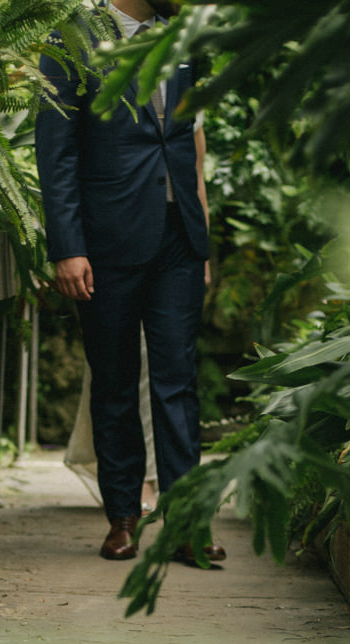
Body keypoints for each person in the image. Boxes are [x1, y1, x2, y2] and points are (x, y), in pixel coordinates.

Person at [35, 0, 224, 564]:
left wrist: (203, 238)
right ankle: (123, 517)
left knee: (177, 381)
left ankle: (188, 521)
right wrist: (68, 248)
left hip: (177, 241)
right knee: (115, 380)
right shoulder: (71, 37)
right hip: (107, 238)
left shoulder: (183, 37)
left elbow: (189, 138)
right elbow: (57, 150)